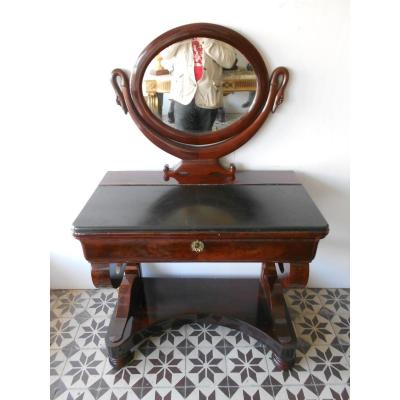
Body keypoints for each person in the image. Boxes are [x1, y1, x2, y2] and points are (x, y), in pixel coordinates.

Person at [161, 38, 236, 132]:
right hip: (182, 94)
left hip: (209, 94)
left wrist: (207, 40)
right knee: (183, 138)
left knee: (205, 138)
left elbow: (229, 62)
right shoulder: (178, 32)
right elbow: (164, 54)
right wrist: (181, 36)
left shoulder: (218, 33)